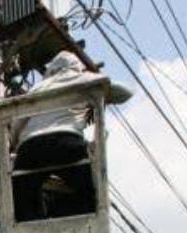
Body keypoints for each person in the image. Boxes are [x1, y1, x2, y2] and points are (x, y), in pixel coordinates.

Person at [11, 51, 132, 221]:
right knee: (88, 194)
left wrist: (14, 144)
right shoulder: (85, 79)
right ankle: (70, 215)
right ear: (76, 68)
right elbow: (125, 92)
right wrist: (107, 93)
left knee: (23, 197)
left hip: (30, 148)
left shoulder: (37, 88)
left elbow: (17, 123)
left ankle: (37, 219)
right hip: (66, 143)